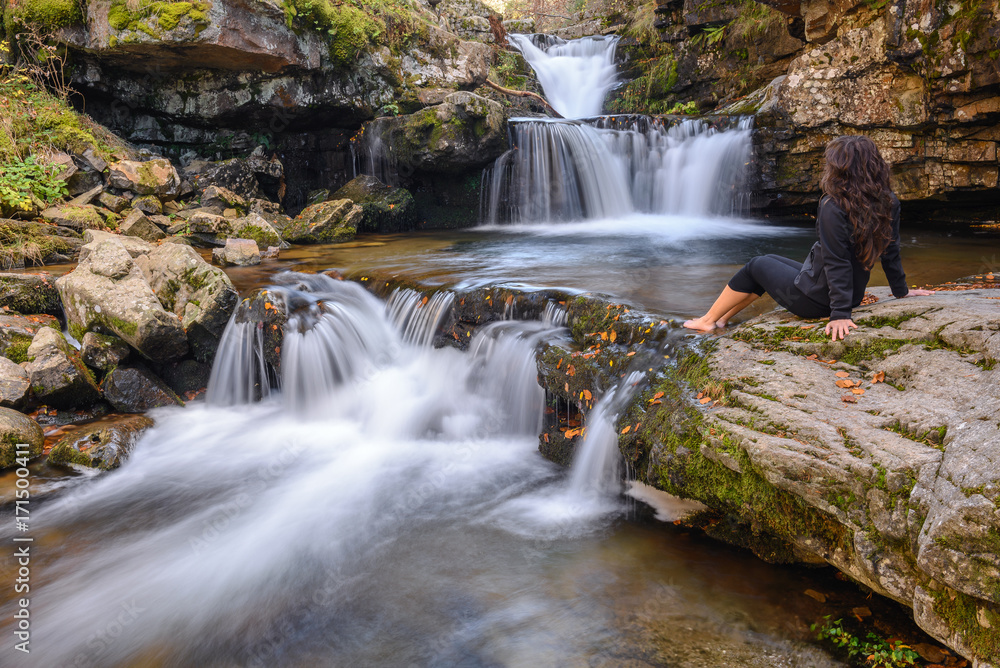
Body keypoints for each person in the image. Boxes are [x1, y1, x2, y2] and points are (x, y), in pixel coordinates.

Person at [683, 135, 935, 340]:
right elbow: (891, 250)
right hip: (850, 294)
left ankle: (706, 321)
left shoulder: (834, 205)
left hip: (817, 302)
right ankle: (720, 318)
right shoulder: (888, 201)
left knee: (756, 265)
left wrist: (839, 314)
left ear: (840, 168)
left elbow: (837, 261)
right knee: (769, 261)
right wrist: (901, 291)